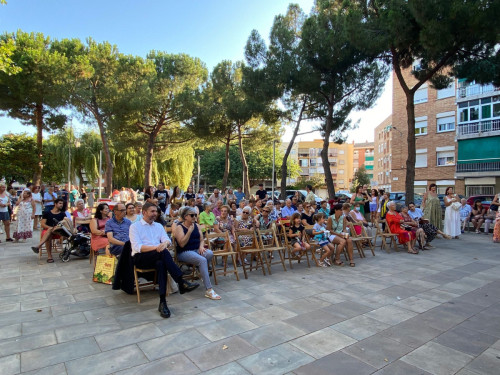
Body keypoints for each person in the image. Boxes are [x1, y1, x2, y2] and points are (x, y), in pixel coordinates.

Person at [130, 202, 199, 318]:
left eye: (156, 211)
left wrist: (165, 243)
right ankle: (181, 282)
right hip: (141, 257)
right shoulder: (135, 227)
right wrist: (157, 247)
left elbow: (167, 240)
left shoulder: (158, 226)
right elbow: (137, 247)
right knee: (163, 252)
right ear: (144, 212)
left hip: (158, 256)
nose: (155, 214)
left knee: (161, 263)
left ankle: (163, 303)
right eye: (152, 211)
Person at [174, 206, 220, 300]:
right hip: (184, 252)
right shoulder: (179, 227)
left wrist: (201, 246)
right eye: (192, 215)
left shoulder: (197, 225)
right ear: (186, 216)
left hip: (196, 250)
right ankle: (209, 290)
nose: (195, 217)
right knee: (202, 260)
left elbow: (201, 239)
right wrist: (189, 232)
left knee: (210, 253)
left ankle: (200, 270)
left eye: (195, 215)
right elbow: (182, 244)